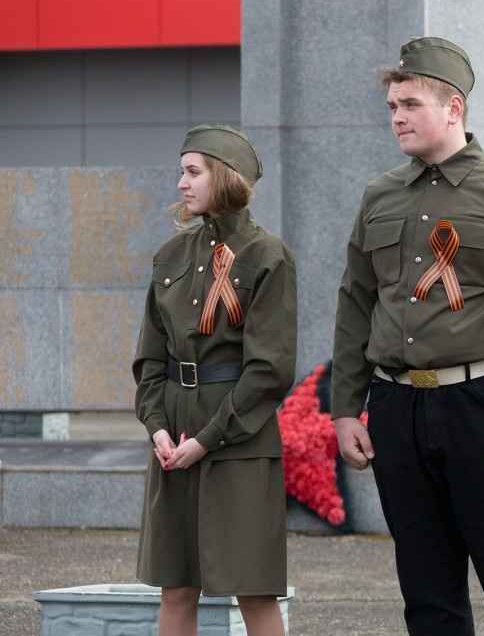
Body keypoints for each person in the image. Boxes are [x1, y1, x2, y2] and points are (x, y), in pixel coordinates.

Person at [330, 36, 484, 635]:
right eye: (392, 107)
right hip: (395, 407)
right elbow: (356, 304)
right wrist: (344, 408)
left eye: (409, 104)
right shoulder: (379, 195)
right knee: (427, 593)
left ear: (454, 106)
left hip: (483, 407)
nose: (397, 118)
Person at [133, 123, 297, 635]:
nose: (181, 183)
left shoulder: (267, 256)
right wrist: (158, 426)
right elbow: (149, 361)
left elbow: (269, 370)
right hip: (174, 434)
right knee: (176, 586)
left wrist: (207, 440)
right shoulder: (170, 257)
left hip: (238, 434)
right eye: (182, 171)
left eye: (192, 172)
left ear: (224, 178)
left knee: (253, 587)